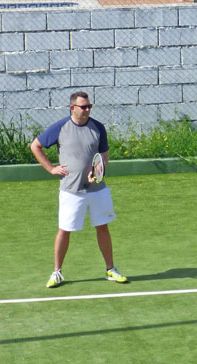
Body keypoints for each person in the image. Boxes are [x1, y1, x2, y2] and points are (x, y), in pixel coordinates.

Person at [29, 91, 129, 288]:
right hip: (71, 190)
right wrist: (51, 168)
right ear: (72, 108)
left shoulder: (98, 127)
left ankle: (110, 269)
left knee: (103, 227)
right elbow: (36, 146)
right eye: (83, 107)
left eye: (89, 106)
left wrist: (97, 173)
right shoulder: (60, 127)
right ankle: (57, 272)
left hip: (98, 189)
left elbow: (104, 157)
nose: (87, 109)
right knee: (64, 230)